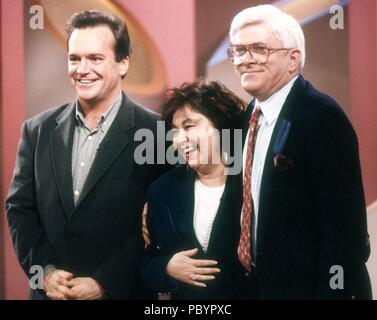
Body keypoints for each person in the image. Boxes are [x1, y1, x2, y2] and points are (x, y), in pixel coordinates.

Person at [6, 10, 166, 300]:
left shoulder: (156, 131)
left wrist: (105, 283)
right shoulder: (37, 129)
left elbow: (158, 222)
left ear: (123, 63)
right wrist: (45, 273)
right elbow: (20, 209)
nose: (82, 69)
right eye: (74, 58)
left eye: (95, 58)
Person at [227, 4, 371, 299]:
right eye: (239, 50)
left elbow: (345, 236)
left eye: (259, 48)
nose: (246, 59)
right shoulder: (244, 121)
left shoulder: (321, 116)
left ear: (293, 59)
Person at [141, 78, 248, 299]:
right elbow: (146, 260)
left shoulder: (250, 182)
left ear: (220, 125)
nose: (179, 140)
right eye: (175, 131)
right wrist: (167, 267)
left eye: (189, 126)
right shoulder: (163, 190)